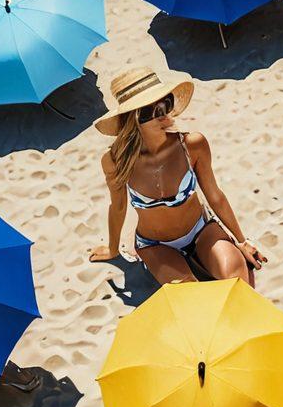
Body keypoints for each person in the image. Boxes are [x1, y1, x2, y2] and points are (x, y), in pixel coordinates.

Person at [89, 67, 265, 284]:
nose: (165, 115)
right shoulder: (116, 161)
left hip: (201, 230)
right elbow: (118, 207)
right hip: (155, 245)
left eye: (167, 103)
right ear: (134, 119)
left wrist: (241, 241)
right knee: (188, 294)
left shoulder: (192, 144)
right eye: (154, 111)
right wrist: (112, 249)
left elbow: (215, 195)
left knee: (238, 282)